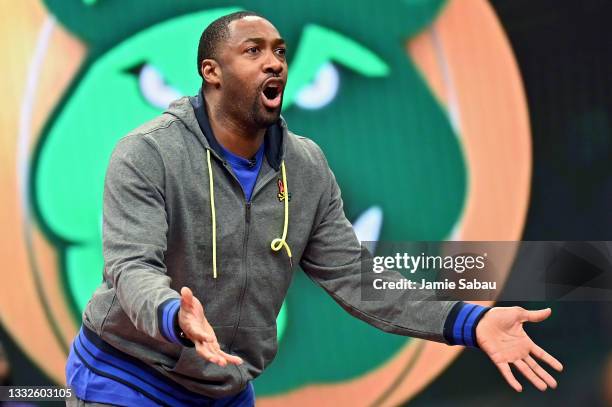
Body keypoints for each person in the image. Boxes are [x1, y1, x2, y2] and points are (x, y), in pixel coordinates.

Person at [65, 11, 563, 406]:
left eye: (280, 51)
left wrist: (469, 322)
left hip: (223, 388)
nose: (275, 61)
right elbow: (131, 267)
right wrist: (175, 315)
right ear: (211, 72)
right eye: (253, 50)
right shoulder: (147, 152)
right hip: (126, 375)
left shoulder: (305, 166)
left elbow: (357, 277)